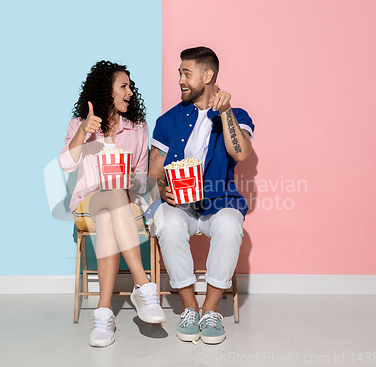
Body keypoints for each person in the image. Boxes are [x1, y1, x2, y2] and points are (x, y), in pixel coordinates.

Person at [149, 47, 254, 344]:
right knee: (166, 224)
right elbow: (154, 172)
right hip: (180, 206)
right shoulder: (168, 120)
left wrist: (225, 112)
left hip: (220, 202)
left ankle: (210, 310)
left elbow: (242, 153)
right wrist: (161, 188)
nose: (180, 79)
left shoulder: (236, 115)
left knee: (231, 225)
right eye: (179, 73)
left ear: (207, 76)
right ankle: (189, 307)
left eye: (186, 73)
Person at [59, 60, 165, 347]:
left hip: (121, 207)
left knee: (111, 211)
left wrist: (128, 178)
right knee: (111, 198)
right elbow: (67, 165)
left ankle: (103, 314)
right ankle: (143, 285)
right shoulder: (80, 125)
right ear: (107, 91)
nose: (130, 92)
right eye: (124, 86)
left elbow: (143, 180)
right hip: (87, 203)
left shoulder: (138, 127)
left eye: (130, 87)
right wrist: (83, 131)